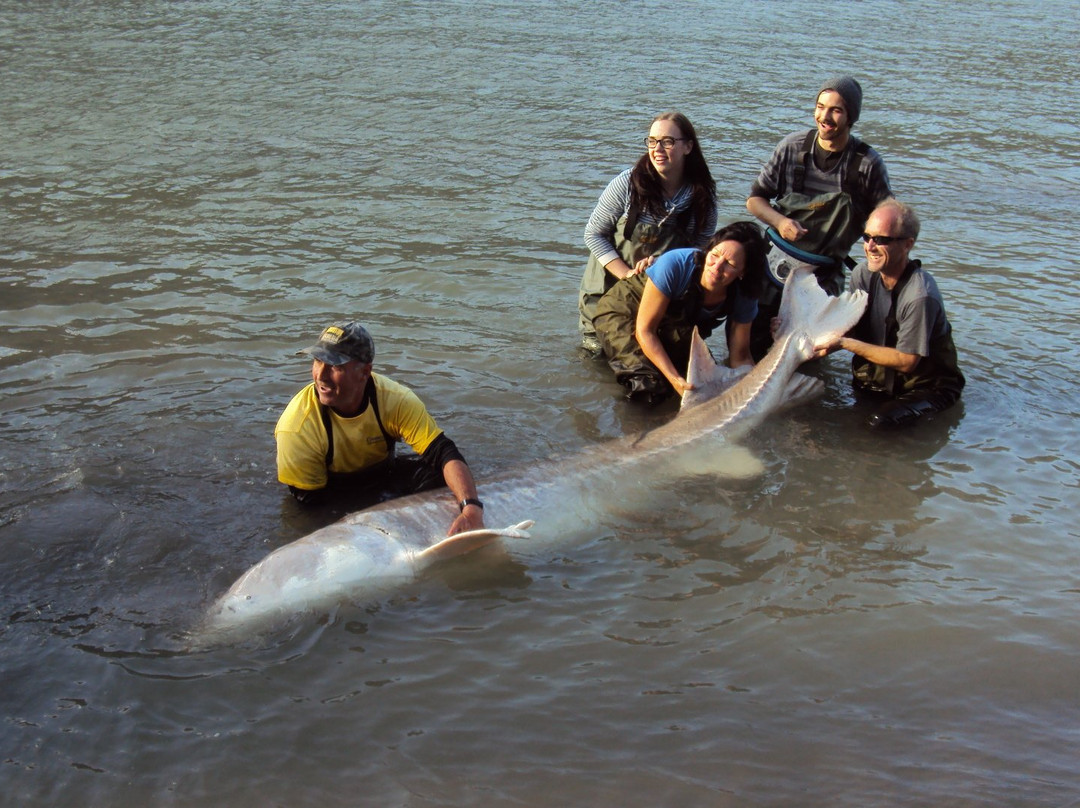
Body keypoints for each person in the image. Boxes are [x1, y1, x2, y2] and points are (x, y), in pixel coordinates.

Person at [274, 321, 485, 535]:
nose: (321, 375)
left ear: (365, 372)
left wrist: (471, 507)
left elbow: (443, 452)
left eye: (335, 366)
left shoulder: (396, 400)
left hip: (381, 477)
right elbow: (310, 508)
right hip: (331, 492)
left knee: (438, 475)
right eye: (318, 361)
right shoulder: (296, 427)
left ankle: (449, 530)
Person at [746, 76, 893, 358]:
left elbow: (887, 221)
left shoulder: (867, 164)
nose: (825, 117)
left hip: (822, 276)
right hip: (772, 268)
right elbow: (755, 201)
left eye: (836, 110)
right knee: (753, 350)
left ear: (852, 117)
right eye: (820, 106)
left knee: (807, 357)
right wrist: (780, 222)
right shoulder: (792, 147)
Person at [815, 200, 965, 429]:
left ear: (907, 244)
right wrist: (814, 336)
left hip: (925, 388)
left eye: (882, 240)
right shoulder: (862, 274)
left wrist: (845, 343)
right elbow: (851, 324)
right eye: (867, 237)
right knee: (823, 416)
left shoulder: (920, 296)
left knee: (878, 424)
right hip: (877, 381)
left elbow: (906, 361)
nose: (870, 246)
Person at [579, 111, 718, 355]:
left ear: (688, 147)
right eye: (652, 141)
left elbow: (699, 256)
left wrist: (663, 265)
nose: (657, 149)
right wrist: (628, 274)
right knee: (598, 361)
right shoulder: (626, 184)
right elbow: (593, 234)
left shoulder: (702, 200)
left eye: (667, 141)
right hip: (606, 293)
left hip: (658, 299)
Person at [592, 221, 768, 403]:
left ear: (743, 272)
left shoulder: (745, 294)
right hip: (624, 309)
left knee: (707, 386)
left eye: (729, 264)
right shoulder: (676, 263)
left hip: (674, 323)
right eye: (714, 255)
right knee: (649, 386)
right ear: (708, 250)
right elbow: (645, 331)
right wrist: (675, 380)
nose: (716, 268)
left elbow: (740, 357)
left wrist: (757, 392)